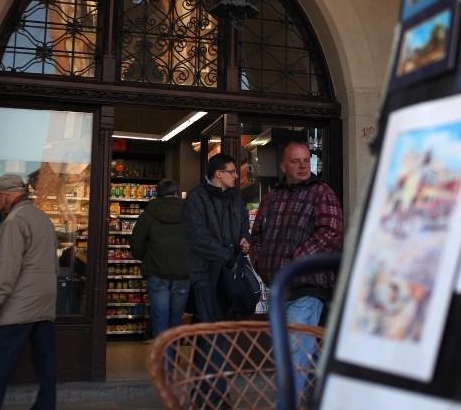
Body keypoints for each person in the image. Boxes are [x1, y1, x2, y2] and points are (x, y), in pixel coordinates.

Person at [249, 140, 345, 399]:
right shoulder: (272, 197)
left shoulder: (321, 192)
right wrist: (260, 262)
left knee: (292, 355)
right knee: (303, 351)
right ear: (283, 166)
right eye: (296, 161)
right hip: (279, 290)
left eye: (306, 160)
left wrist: (295, 262)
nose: (303, 166)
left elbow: (331, 232)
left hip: (308, 286)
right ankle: (328, 399)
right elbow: (256, 235)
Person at [0, 174, 58, 410]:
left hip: (22, 301)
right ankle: (45, 406)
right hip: (46, 298)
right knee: (45, 361)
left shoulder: (13, 221)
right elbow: (54, 261)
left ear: (5, 195)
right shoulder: (42, 217)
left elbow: (8, 268)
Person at [182, 153, 250, 407]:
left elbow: (244, 226)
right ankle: (217, 398)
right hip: (205, 274)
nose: (236, 176)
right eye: (232, 171)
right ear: (218, 174)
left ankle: (202, 395)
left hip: (230, 274)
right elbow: (197, 237)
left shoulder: (235, 199)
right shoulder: (196, 198)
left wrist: (245, 242)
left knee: (214, 333)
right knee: (215, 333)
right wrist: (226, 255)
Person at [129, 178, 189, 341]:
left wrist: (145, 257)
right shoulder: (189, 214)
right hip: (183, 273)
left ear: (157, 193)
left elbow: (136, 242)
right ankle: (171, 365)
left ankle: (163, 365)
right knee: (175, 322)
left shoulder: (147, 215)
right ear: (176, 193)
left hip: (157, 272)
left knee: (160, 321)